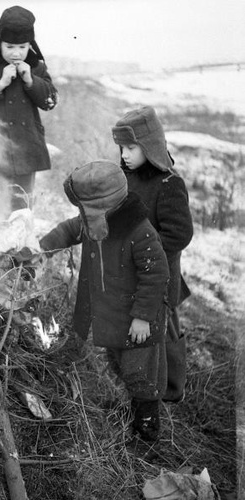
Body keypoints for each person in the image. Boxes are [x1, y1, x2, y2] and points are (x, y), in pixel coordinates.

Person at [38, 160, 170, 450]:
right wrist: (42, 248)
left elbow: (157, 274)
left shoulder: (140, 232)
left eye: (85, 209)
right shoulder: (91, 224)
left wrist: (143, 317)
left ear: (104, 206)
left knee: (142, 374)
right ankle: (133, 408)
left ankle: (147, 431)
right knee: (121, 365)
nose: (81, 216)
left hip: (139, 322)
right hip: (113, 317)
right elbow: (67, 230)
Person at [112, 106, 193, 403]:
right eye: (122, 147)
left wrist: (143, 248)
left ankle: (172, 390)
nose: (124, 154)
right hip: (133, 274)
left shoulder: (169, 183)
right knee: (146, 332)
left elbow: (180, 234)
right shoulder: (125, 177)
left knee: (166, 331)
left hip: (161, 275)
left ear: (150, 146)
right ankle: (141, 380)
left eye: (131, 147)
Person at [0, 5, 58, 217]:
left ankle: (19, 249)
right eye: (9, 47)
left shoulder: (37, 68)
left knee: (21, 213)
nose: (16, 53)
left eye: (22, 47)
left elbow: (50, 101)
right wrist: (0, 83)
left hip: (26, 153)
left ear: (30, 45)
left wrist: (31, 80)